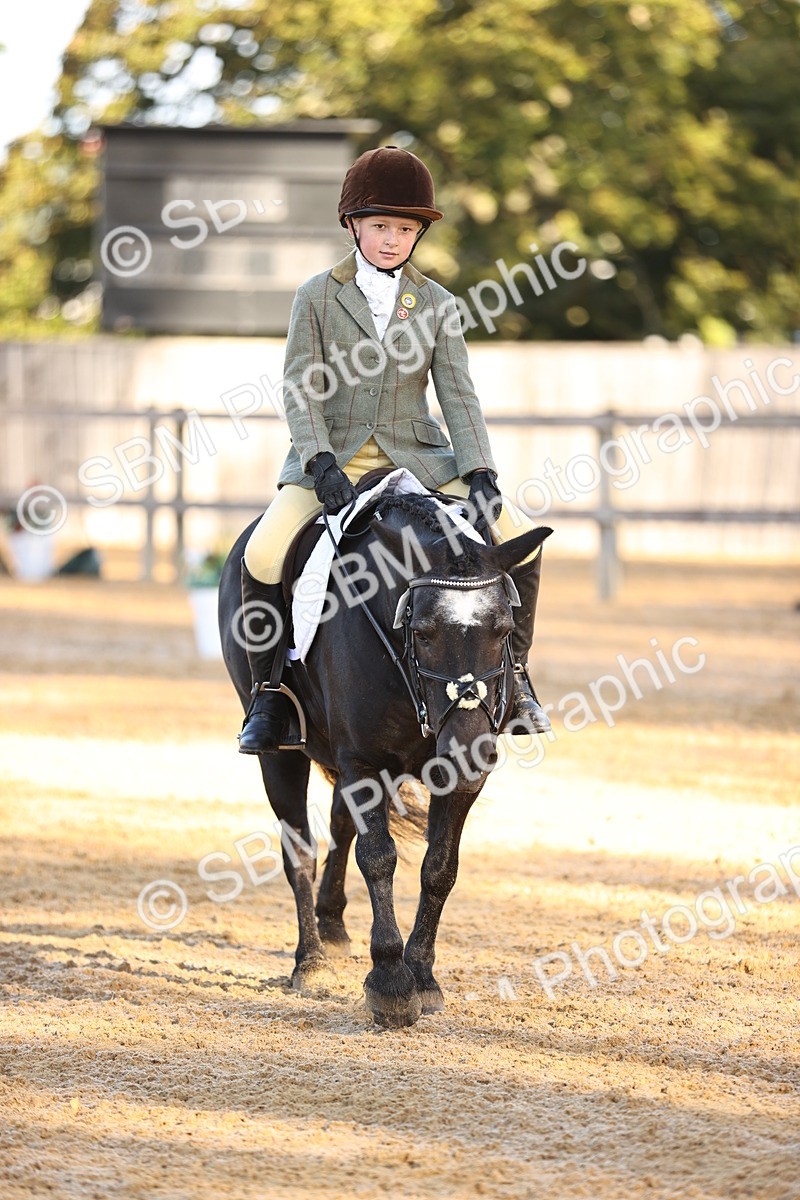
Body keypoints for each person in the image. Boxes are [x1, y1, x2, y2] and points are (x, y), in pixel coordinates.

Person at [238, 145, 551, 753]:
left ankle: (515, 677)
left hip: (420, 454)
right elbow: (300, 386)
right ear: (352, 224)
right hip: (333, 455)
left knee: (521, 541)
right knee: (264, 552)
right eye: (380, 225)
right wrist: (320, 461)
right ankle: (271, 697)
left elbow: (458, 396)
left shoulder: (437, 304)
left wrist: (480, 471)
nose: (391, 239)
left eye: (405, 228)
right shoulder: (317, 296)